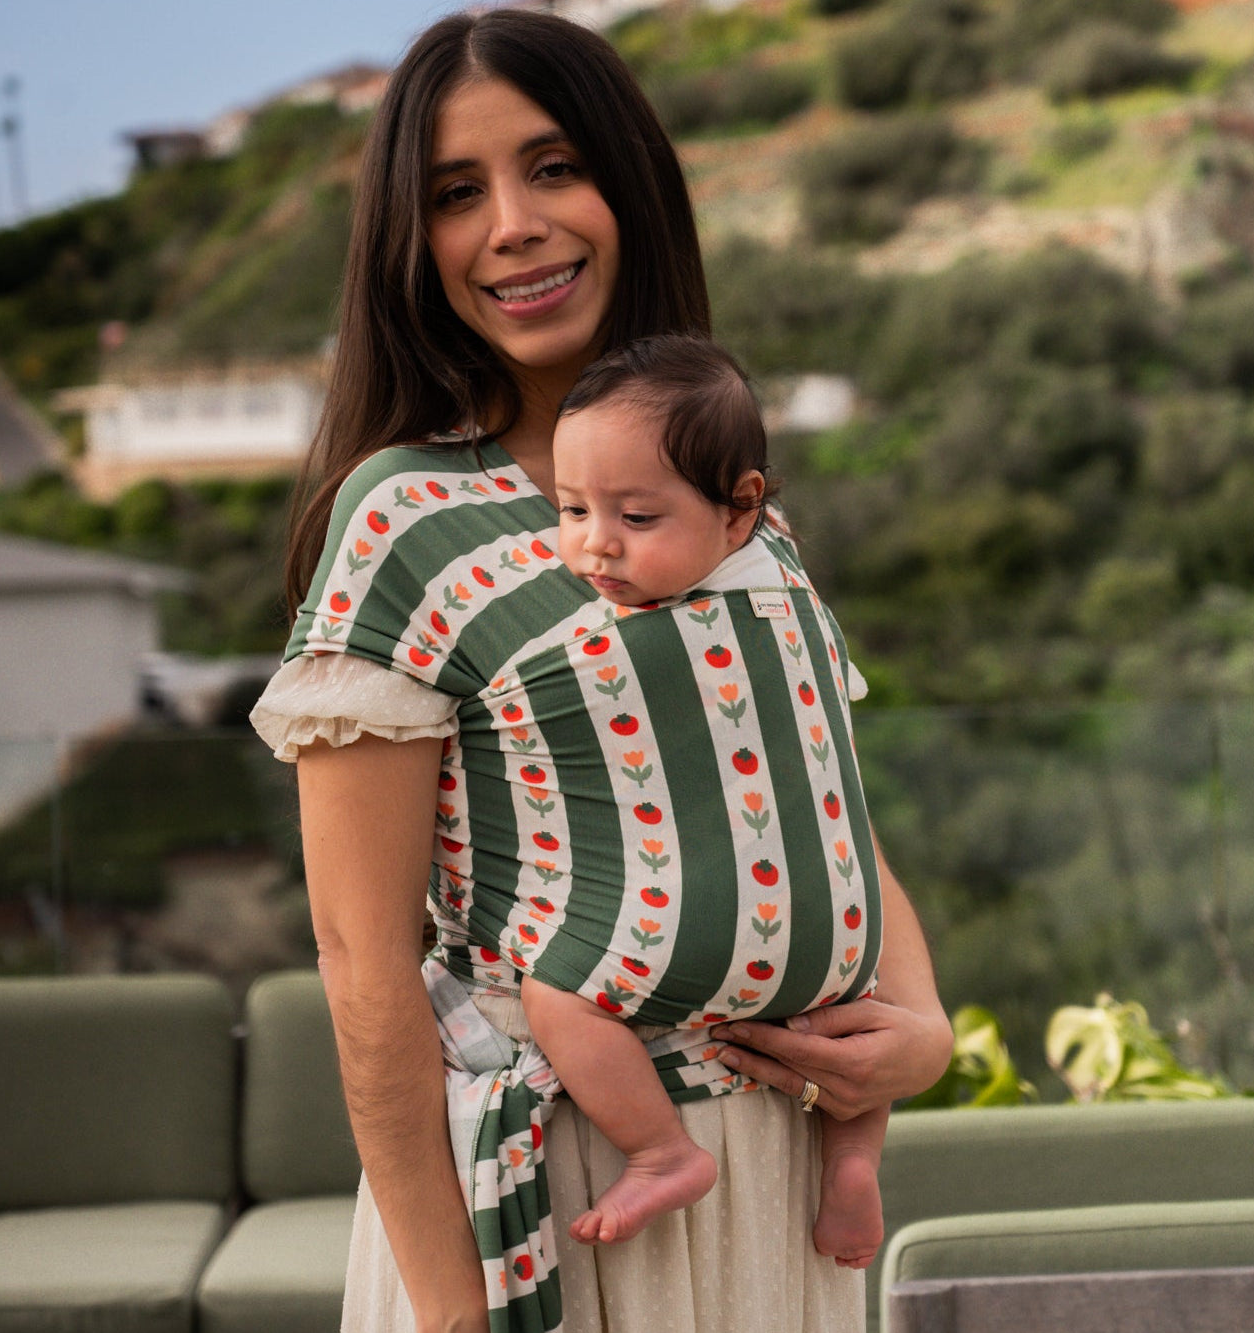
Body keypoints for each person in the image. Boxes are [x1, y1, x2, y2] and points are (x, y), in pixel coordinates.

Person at [249, 10, 953, 1333]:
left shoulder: (725, 512)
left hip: (782, 1177)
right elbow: (361, 960)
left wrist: (920, 1026)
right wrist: (453, 1308)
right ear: (415, 241)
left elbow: (816, 803)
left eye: (555, 166)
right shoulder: (402, 520)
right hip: (567, 1189)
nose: (512, 223)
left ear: (629, 188)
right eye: (458, 193)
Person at [518, 333, 889, 1268]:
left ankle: (659, 1150)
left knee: (556, 992)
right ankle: (851, 1163)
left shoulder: (606, 636)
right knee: (858, 1018)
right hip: (841, 934)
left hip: (697, 932)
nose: (594, 541)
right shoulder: (790, 580)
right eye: (570, 508)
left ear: (738, 513)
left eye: (636, 516)